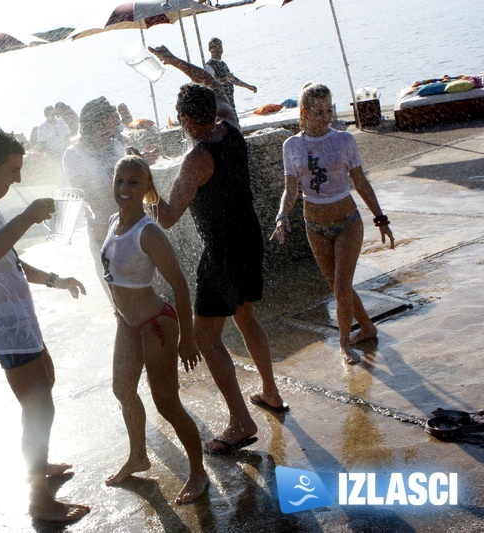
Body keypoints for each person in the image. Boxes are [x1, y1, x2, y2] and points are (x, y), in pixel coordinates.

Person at [0, 129, 90, 523]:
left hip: (18, 320)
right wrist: (27, 217)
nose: (19, 179)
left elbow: (9, 261)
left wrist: (54, 280)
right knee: (39, 406)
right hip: (4, 325)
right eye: (13, 170)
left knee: (45, 381)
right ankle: (38, 500)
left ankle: (37, 467)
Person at [156, 83, 287, 454]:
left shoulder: (197, 158)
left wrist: (148, 188)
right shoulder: (230, 126)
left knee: (205, 337)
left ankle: (240, 422)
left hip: (222, 254)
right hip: (249, 240)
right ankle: (271, 393)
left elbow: (166, 217)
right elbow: (216, 90)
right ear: (213, 109)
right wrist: (179, 65)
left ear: (184, 120)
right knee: (246, 317)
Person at [101, 155, 209, 504]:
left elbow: (179, 286)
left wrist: (188, 340)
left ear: (148, 187)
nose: (124, 189)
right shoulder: (113, 221)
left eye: (133, 182)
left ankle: (198, 472)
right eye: (119, 181)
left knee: (166, 403)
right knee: (122, 390)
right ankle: (138, 456)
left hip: (156, 326)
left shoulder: (149, 233)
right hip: (127, 325)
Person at [271, 83, 395, 365]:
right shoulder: (291, 146)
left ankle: (343, 343)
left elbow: (361, 182)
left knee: (341, 286)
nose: (326, 117)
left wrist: (380, 218)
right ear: (304, 112)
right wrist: (282, 215)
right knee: (339, 287)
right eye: (319, 112)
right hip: (314, 226)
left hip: (348, 222)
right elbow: (291, 189)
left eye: (330, 110)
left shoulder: (344, 141)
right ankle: (367, 327)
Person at [63, 96, 126, 290]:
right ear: (97, 124)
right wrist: (130, 185)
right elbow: (91, 199)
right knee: (118, 300)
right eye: (111, 117)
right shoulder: (74, 155)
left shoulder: (115, 146)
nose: (116, 121)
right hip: (102, 233)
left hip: (129, 228)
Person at [148, 45, 238, 126]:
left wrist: (173, 60)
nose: (178, 119)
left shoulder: (201, 142)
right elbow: (211, 83)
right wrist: (174, 60)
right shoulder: (228, 126)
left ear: (187, 120)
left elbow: (210, 82)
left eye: (179, 114)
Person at [204, 37, 257, 116]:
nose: (219, 49)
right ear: (210, 49)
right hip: (220, 105)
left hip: (229, 103)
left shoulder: (223, 64)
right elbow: (209, 84)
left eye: (220, 47)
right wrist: (223, 80)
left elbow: (232, 79)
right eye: (215, 47)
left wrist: (248, 86)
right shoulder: (209, 66)